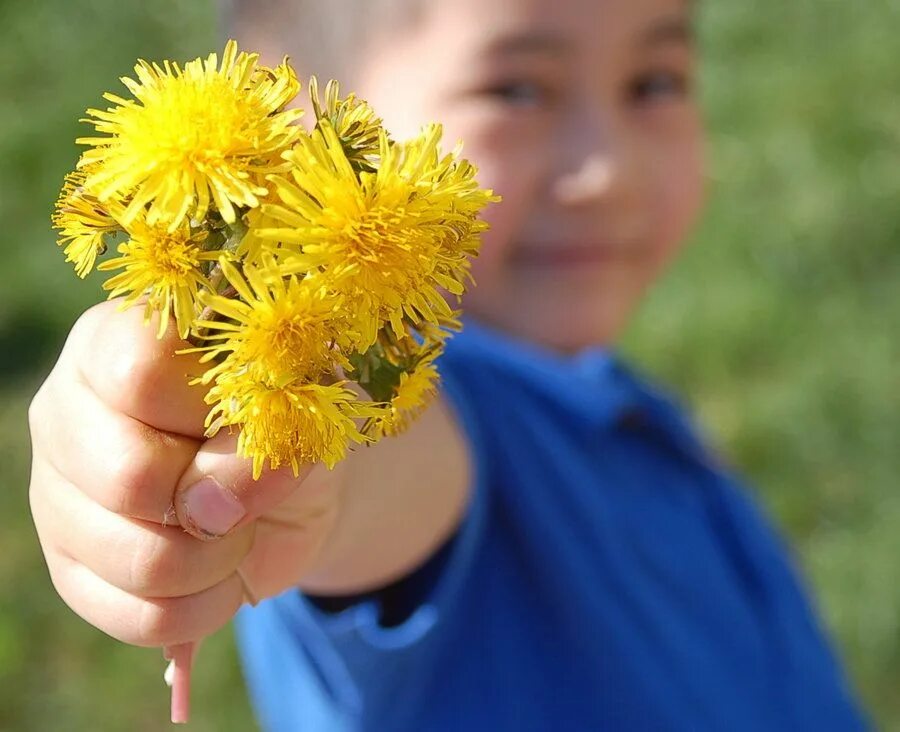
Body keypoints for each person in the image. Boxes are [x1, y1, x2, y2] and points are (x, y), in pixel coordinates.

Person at [28, 0, 869, 729]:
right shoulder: (431, 425)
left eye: (653, 82)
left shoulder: (609, 394)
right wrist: (296, 468)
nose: (604, 172)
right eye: (517, 90)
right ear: (293, 125)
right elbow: (371, 480)